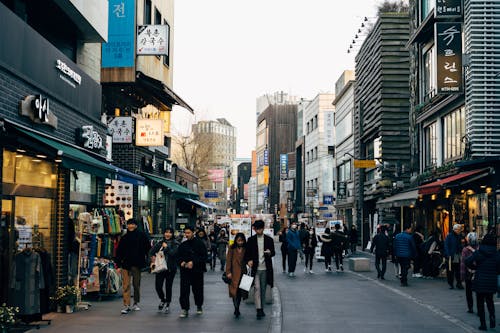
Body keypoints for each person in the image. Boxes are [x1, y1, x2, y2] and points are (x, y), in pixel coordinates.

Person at [465, 233, 500, 331]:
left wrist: (475, 268)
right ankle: (492, 316)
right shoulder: (496, 253)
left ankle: (483, 324)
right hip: (491, 281)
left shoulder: (479, 252)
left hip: (480, 280)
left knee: (480, 303)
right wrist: (495, 271)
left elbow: (467, 261)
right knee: (490, 301)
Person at [115, 218, 151, 314]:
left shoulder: (142, 236)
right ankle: (126, 305)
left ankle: (135, 303)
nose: (130, 226)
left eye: (132, 224)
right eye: (129, 224)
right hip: (125, 264)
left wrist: (150, 260)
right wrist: (118, 265)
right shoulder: (124, 237)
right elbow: (119, 252)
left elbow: (148, 248)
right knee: (126, 285)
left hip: (137, 264)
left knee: (136, 285)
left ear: (136, 225)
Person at [244, 219, 275, 319]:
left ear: (263, 228)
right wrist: (248, 261)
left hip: (266, 268)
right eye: (257, 229)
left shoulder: (269, 240)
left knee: (263, 288)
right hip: (255, 269)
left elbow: (273, 252)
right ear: (254, 229)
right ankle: (258, 309)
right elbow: (246, 254)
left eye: (260, 229)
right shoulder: (251, 240)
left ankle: (261, 307)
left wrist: (270, 252)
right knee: (257, 288)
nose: (258, 231)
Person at [177, 226, 208, 318]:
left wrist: (193, 262)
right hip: (185, 271)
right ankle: (184, 308)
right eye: (185, 233)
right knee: (184, 290)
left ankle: (199, 305)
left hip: (197, 271)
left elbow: (204, 257)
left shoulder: (200, 243)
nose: (186, 235)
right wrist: (181, 262)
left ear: (193, 233)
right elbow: (178, 256)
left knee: (197, 289)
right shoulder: (183, 245)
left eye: (188, 233)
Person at [149, 228, 179, 313]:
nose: (168, 234)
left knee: (168, 287)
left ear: (172, 234)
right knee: (158, 286)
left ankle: (168, 303)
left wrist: (167, 247)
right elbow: (151, 252)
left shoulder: (175, 243)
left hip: (170, 268)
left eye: (170, 233)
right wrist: (153, 258)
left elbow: (173, 254)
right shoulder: (159, 243)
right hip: (160, 268)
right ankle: (163, 299)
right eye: (166, 232)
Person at [225, 233, 247, 318]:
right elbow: (228, 260)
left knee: (241, 292)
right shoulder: (232, 248)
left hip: (243, 273)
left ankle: (238, 306)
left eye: (242, 240)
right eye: (239, 240)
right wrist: (228, 272)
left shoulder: (246, 248)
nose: (240, 242)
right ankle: (236, 308)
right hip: (234, 273)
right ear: (236, 240)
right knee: (234, 291)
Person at [461, 232, 478, 314]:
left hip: (468, 273)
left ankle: (470, 307)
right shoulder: (479, 249)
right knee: (479, 293)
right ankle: (479, 309)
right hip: (478, 273)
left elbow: (463, 264)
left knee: (469, 292)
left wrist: (462, 277)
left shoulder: (465, 250)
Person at [444, 224, 464, 289]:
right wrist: (448, 254)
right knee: (450, 270)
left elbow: (460, 245)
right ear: (455, 229)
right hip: (451, 255)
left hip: (457, 254)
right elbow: (446, 246)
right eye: (458, 229)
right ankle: (451, 283)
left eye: (460, 229)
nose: (459, 231)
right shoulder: (449, 236)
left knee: (458, 269)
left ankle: (459, 283)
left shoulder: (459, 236)